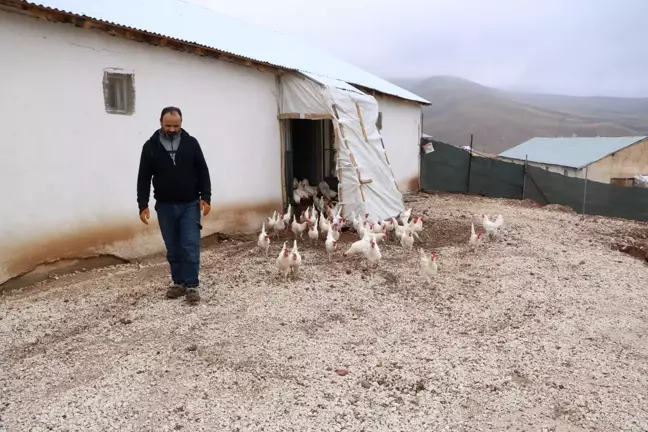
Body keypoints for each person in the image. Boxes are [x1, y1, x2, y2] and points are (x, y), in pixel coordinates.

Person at [136, 106, 212, 304]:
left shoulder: (191, 144)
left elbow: (203, 171)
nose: (171, 129)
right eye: (168, 125)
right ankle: (178, 283)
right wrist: (142, 204)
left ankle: (192, 285)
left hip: (189, 204)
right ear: (160, 122)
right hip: (165, 206)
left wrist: (206, 196)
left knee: (190, 244)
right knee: (173, 247)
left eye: (175, 125)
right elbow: (143, 177)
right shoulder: (150, 147)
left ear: (181, 124)